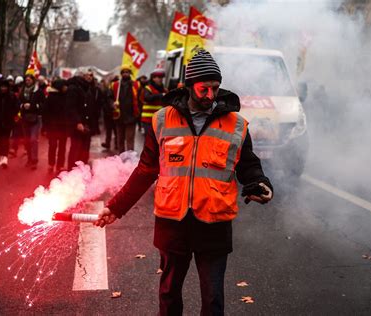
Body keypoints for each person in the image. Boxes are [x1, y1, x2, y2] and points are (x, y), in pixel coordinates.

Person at [94, 49, 274, 315]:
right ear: (189, 86)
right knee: (169, 295)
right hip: (172, 224)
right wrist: (116, 207)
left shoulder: (236, 125)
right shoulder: (163, 120)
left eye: (215, 88)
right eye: (203, 89)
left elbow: (248, 165)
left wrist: (260, 183)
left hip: (214, 225)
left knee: (212, 299)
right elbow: (145, 171)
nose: (210, 95)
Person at [66, 75, 98, 169]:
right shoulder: (74, 89)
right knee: (76, 148)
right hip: (78, 125)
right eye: (87, 75)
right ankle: (72, 170)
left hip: (87, 123)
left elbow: (91, 107)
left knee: (85, 149)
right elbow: (71, 107)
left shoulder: (88, 88)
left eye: (91, 76)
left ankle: (82, 169)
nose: (89, 77)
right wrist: (78, 122)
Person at [43, 79, 71, 173]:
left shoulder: (66, 97)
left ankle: (59, 164)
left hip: (62, 126)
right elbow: (46, 113)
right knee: (54, 146)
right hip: (54, 126)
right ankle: (53, 164)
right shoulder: (51, 97)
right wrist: (45, 126)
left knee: (60, 146)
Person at [110, 66, 140, 153]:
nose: (125, 74)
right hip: (119, 116)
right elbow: (108, 98)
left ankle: (130, 160)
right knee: (120, 139)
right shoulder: (115, 85)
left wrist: (138, 113)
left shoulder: (136, 85)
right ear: (121, 73)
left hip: (131, 117)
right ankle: (121, 158)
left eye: (127, 72)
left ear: (130, 73)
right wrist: (112, 104)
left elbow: (140, 99)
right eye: (124, 72)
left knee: (130, 140)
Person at [0, 80, 19, 168]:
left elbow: (16, 107)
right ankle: (2, 155)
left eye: (5, 87)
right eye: (2, 87)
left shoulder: (12, 96)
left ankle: (5, 157)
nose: (3, 88)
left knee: (6, 140)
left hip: (8, 121)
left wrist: (11, 115)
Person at [19, 74, 43, 170]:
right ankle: (29, 158)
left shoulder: (38, 91)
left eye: (29, 80)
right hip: (25, 118)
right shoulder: (22, 91)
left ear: (33, 81)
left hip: (35, 118)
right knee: (27, 140)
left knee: (33, 139)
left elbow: (43, 104)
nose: (28, 81)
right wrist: (22, 106)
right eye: (26, 80)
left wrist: (33, 106)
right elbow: (18, 102)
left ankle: (34, 160)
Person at [141, 69, 168, 134]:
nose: (160, 79)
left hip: (160, 120)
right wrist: (160, 95)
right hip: (148, 120)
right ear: (153, 78)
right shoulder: (148, 88)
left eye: (161, 77)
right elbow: (147, 98)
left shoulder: (164, 90)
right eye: (158, 77)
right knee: (149, 141)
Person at [102, 75, 119, 151]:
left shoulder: (110, 89)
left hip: (113, 113)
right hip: (110, 113)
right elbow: (105, 101)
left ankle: (112, 143)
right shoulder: (108, 90)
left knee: (113, 130)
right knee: (113, 130)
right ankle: (113, 144)